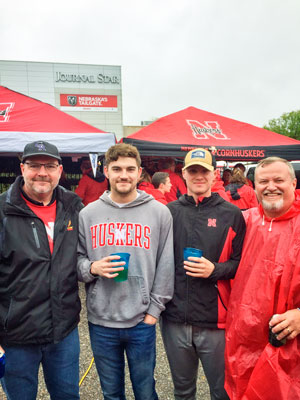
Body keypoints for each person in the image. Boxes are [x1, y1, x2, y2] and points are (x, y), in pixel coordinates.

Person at [77, 143, 174, 400]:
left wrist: (154, 311)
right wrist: (92, 268)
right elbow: (75, 261)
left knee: (145, 391)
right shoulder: (88, 214)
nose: (124, 175)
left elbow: (166, 264)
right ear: (106, 171)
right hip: (101, 322)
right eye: (117, 169)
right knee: (111, 393)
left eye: (130, 169)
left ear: (140, 173)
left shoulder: (159, 213)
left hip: (142, 321)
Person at [160, 148, 246, 400]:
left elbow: (241, 263)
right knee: (183, 391)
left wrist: (214, 270)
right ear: (183, 174)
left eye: (204, 171)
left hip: (215, 322)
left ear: (214, 175)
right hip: (175, 319)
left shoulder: (230, 214)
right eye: (193, 171)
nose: (199, 176)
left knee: (221, 392)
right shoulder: (169, 212)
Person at [0, 140, 83, 399]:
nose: (42, 172)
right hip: (15, 335)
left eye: (49, 165)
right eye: (35, 165)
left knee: (68, 396)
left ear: (60, 170)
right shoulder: (3, 210)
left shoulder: (73, 206)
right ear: (22, 168)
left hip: (63, 332)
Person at [225, 157, 300, 400]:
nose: (271, 186)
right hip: (244, 339)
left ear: (293, 183)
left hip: (291, 342)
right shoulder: (245, 222)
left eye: (279, 180)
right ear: (253, 186)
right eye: (263, 181)